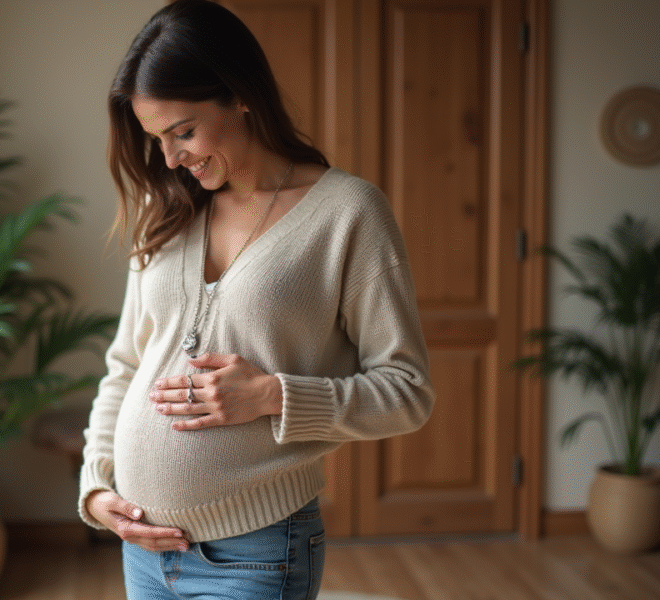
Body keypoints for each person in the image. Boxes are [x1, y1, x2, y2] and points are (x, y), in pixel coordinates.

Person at [79, 1, 435, 598]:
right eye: (155, 139)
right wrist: (97, 487)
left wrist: (273, 395)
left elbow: (408, 392)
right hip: (143, 549)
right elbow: (126, 368)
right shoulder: (164, 206)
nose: (170, 159)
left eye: (183, 132)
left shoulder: (347, 214)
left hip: (256, 554)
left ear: (240, 96)